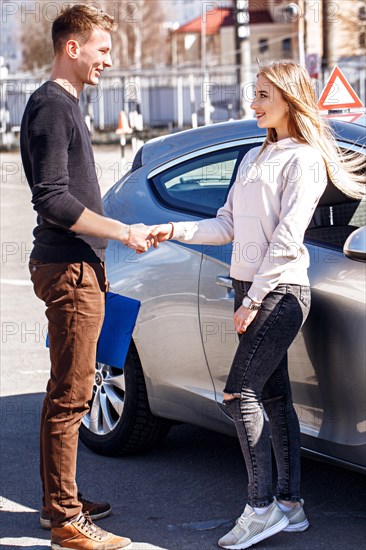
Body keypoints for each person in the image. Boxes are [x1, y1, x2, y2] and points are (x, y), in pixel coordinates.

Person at [151, 60, 364, 550]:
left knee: (238, 394)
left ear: (290, 99)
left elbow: (287, 242)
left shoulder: (305, 160)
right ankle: (289, 505)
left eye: (264, 94)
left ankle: (260, 508)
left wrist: (254, 299)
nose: (254, 102)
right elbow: (225, 225)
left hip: (282, 292)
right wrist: (174, 230)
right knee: (273, 399)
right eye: (255, 93)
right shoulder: (251, 157)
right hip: (252, 288)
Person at [20, 5, 155, 549]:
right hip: (68, 267)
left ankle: (61, 500)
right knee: (72, 395)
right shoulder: (52, 106)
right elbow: (52, 198)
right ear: (71, 47)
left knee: (68, 391)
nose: (107, 60)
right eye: (101, 50)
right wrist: (121, 231)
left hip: (80, 266)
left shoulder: (68, 104)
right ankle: (66, 522)